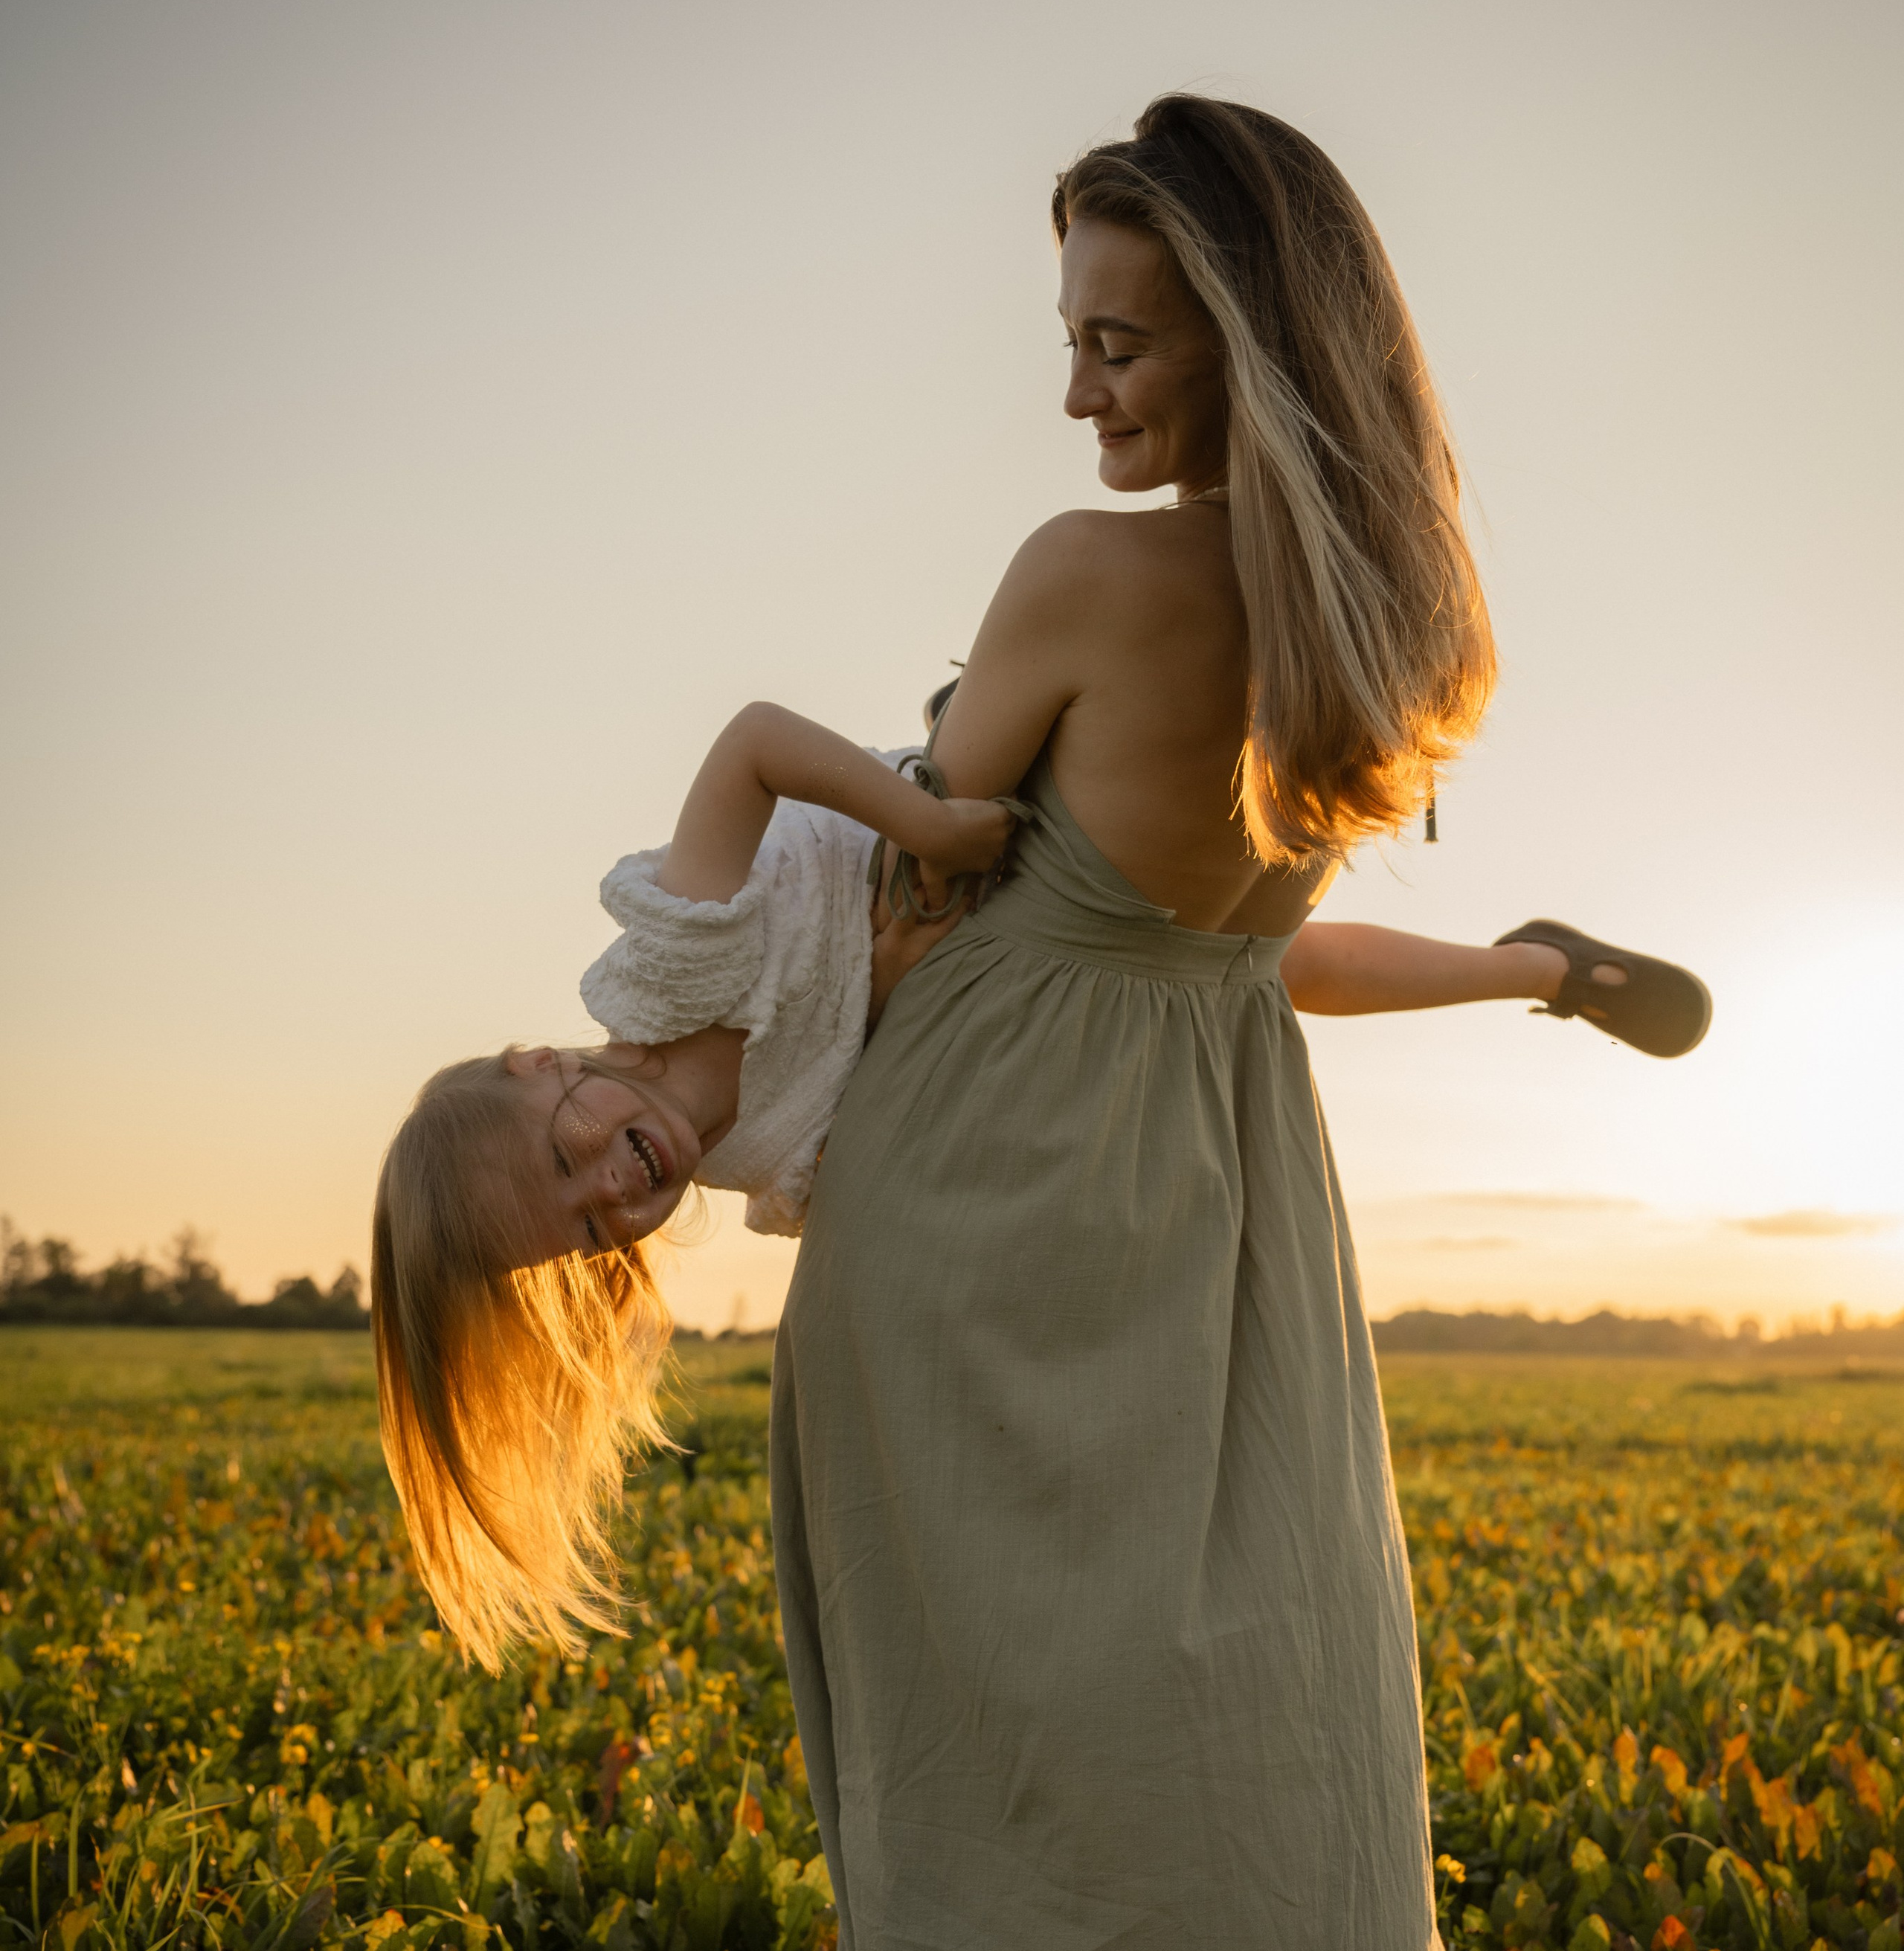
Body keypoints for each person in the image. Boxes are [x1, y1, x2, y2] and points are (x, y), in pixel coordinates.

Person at [766, 91, 1689, 1951]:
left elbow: (941, 856)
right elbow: (1246, 945)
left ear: (1253, 347)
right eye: (1074, 340)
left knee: (1000, 1700)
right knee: (1222, 1663)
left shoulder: (1084, 578)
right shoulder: (1372, 624)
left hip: (986, 1162)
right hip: (1215, 1161)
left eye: (1120, 344)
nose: (1076, 391)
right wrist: (1534, 974)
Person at [372, 684, 1705, 1674]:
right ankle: (1540, 971)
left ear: (542, 1060)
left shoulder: (666, 971)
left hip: (967, 820)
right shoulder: (755, 1165)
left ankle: (1352, 718)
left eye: (572, 1151)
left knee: (1226, 883)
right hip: (998, 968)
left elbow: (754, 743)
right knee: (1264, 975)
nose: (616, 1188)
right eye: (585, 1229)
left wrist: (926, 825)